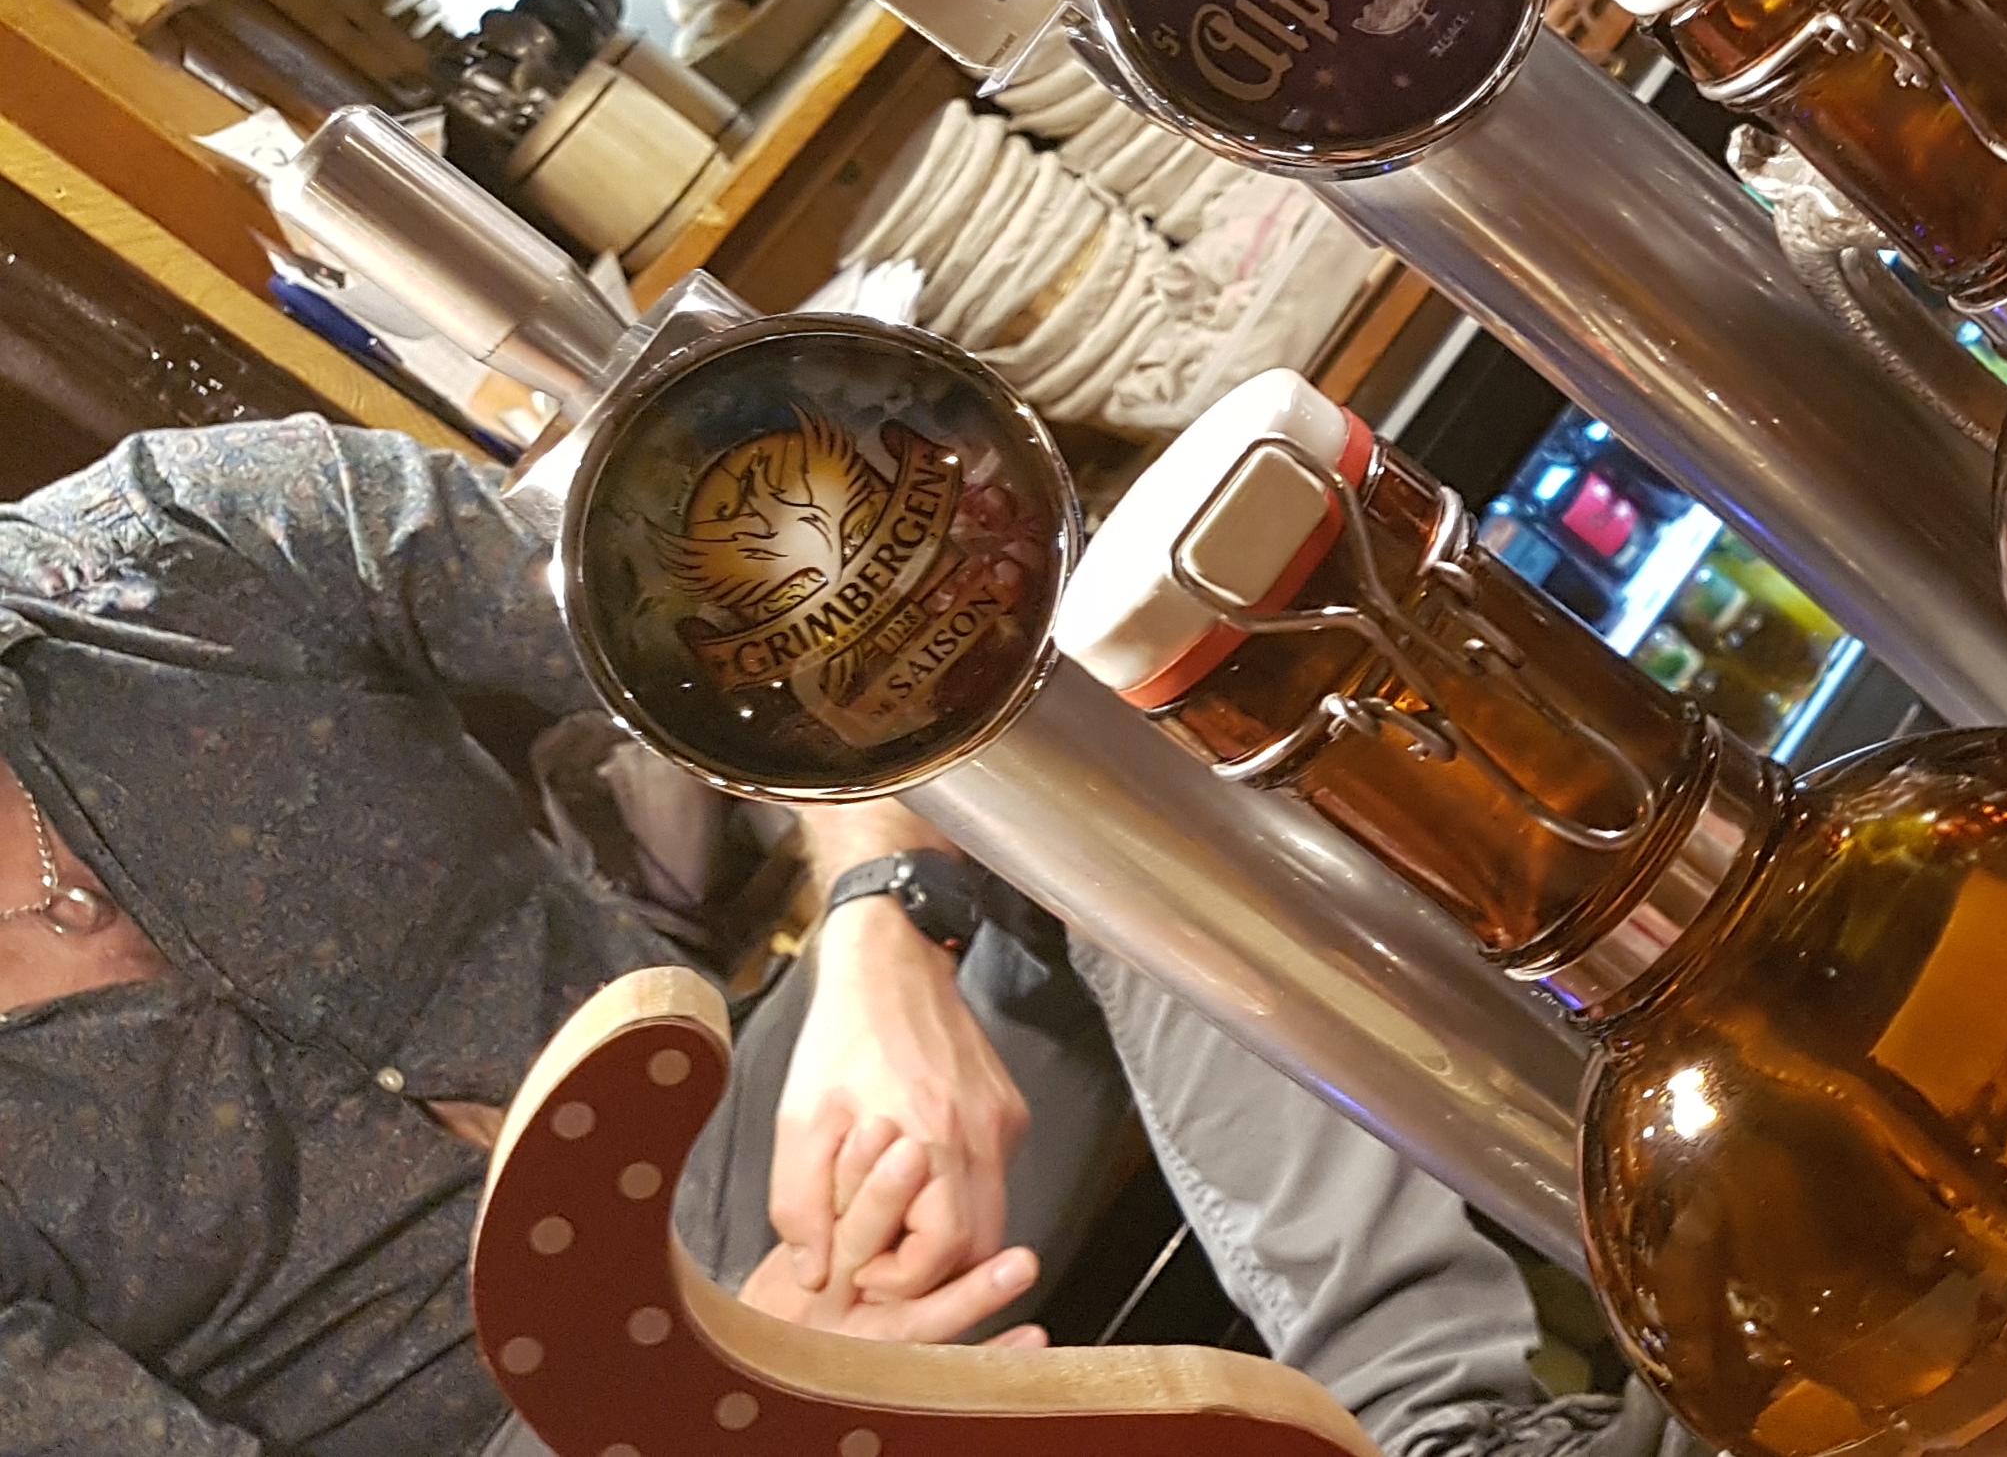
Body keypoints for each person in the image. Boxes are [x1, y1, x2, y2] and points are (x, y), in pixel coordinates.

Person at [0, 418, 1681, 1457]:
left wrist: (885, 924)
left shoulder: (190, 541)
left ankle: (1443, 1422)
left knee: (1076, 737)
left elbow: (812, 652)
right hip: (529, 1446)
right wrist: (701, 1399)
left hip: (790, 1153)